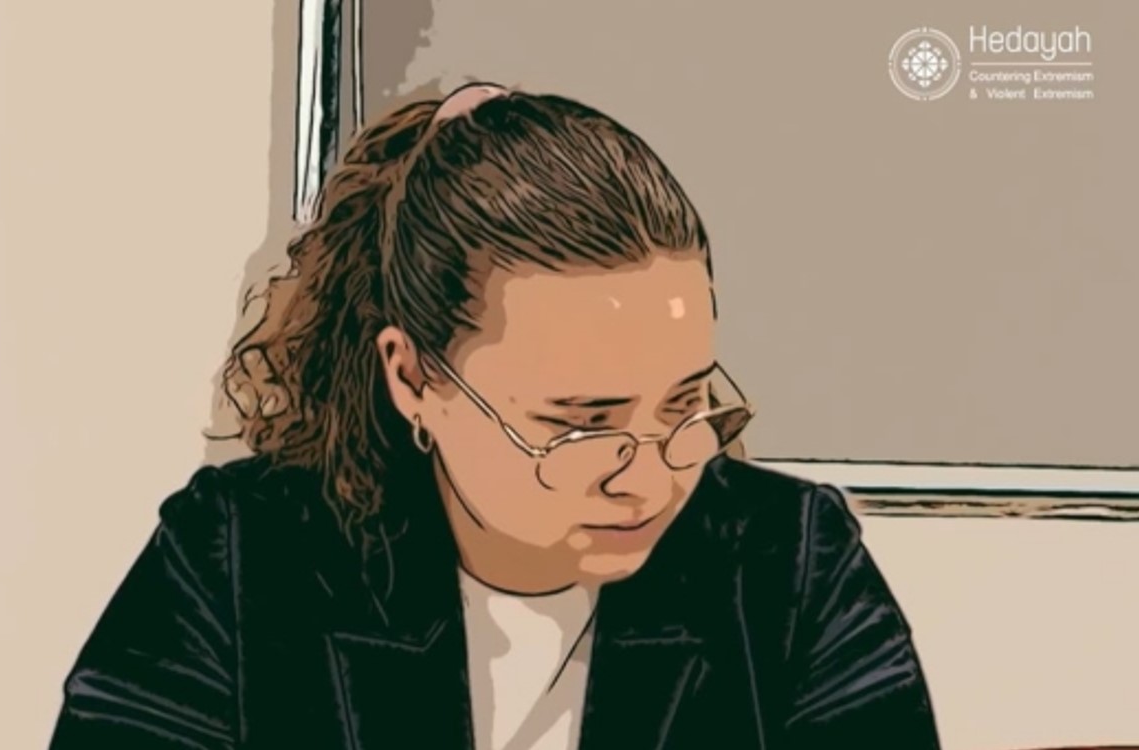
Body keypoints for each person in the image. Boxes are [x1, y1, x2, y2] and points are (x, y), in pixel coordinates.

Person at [50, 83, 941, 750]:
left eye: (685, 403)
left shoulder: (790, 569)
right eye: (581, 423)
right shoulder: (241, 559)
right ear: (413, 378)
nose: (648, 478)